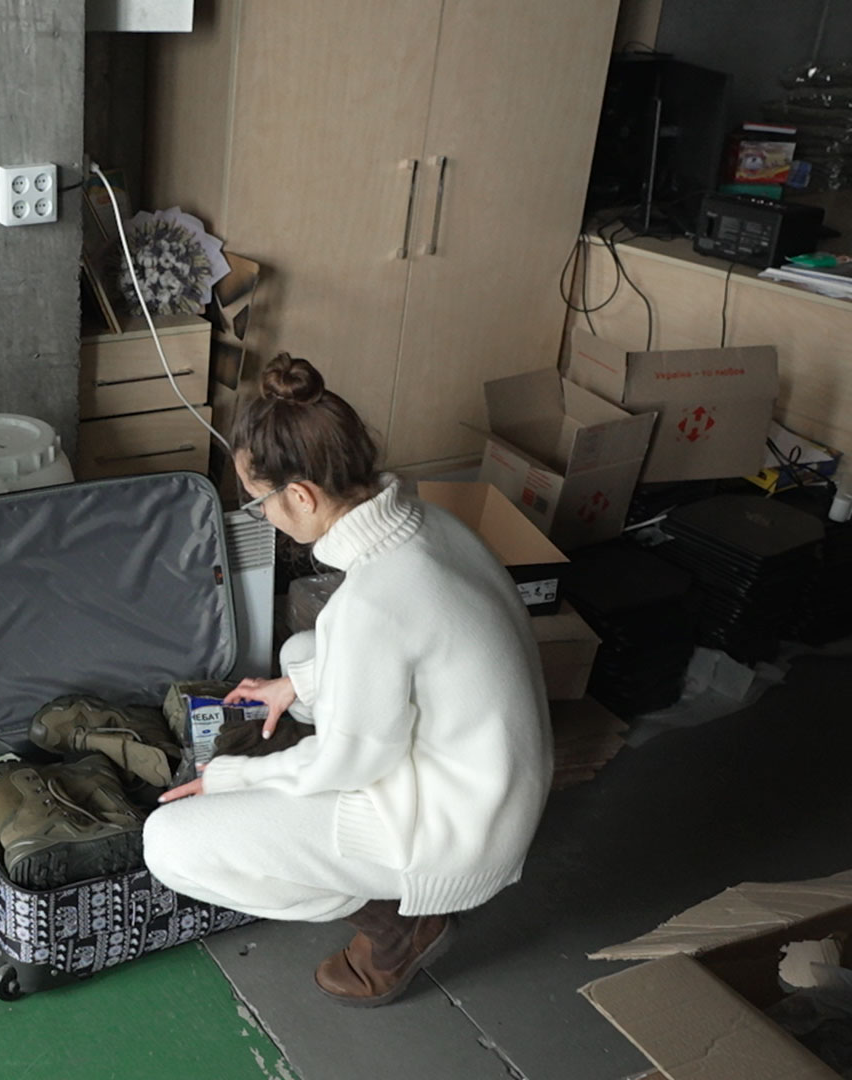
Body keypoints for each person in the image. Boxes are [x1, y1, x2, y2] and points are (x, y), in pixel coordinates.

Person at [142, 353, 551, 1007]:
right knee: (303, 650)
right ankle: (393, 900)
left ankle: (398, 928)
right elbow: (385, 649)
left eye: (259, 504)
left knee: (167, 844)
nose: (263, 516)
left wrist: (228, 780)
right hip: (493, 778)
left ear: (300, 496)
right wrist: (295, 687)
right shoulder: (429, 526)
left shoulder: (377, 601)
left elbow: (346, 763)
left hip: (451, 828)